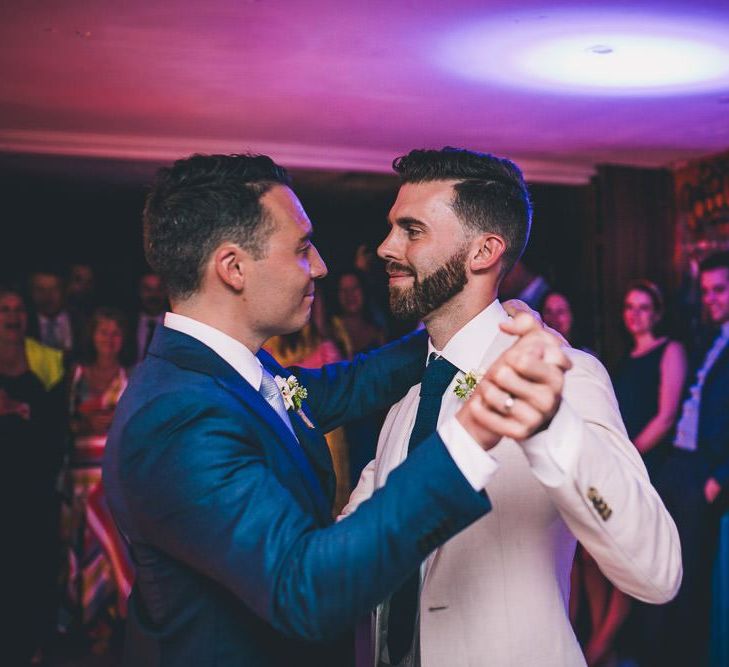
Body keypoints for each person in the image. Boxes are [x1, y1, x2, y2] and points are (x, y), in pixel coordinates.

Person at [103, 152, 570, 667]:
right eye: (302, 248)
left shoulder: (233, 373)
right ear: (233, 268)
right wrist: (475, 427)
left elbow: (352, 384)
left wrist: (483, 324)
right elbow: (307, 590)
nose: (321, 266)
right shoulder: (177, 418)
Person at [341, 148, 682, 667]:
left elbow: (657, 571)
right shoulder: (408, 404)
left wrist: (552, 428)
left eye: (412, 230)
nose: (387, 247)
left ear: (483, 251)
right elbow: (345, 560)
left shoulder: (564, 375)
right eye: (393, 228)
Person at [642, 251, 729, 667]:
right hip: (677, 462)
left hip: (704, 474)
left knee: (690, 576)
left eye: (720, 290)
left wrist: (718, 479)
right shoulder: (710, 337)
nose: (711, 298)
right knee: (662, 562)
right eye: (707, 290)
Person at [60, 308, 133, 649]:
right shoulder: (76, 374)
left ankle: (112, 625)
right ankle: (86, 626)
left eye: (115, 332)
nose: (109, 339)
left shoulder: (129, 376)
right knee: (82, 545)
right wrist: (80, 424)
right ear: (92, 336)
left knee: (111, 550)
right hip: (80, 478)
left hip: (111, 478)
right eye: (103, 332)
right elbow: (58, 424)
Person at [0, 286, 66, 665]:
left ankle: (35, 648)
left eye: (17, 309)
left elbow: (58, 424)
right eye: (5, 309)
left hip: (34, 486)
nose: (12, 316)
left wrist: (24, 410)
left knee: (35, 565)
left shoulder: (48, 360)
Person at [613, 281, 688, 478]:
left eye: (643, 308)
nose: (634, 314)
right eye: (629, 307)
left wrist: (630, 453)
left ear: (657, 314)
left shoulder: (671, 350)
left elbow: (666, 417)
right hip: (625, 458)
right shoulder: (626, 356)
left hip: (652, 460)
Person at [129, 271, 167, 364]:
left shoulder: (174, 325)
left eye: (159, 289)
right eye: (148, 289)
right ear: (139, 291)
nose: (154, 295)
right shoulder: (129, 323)